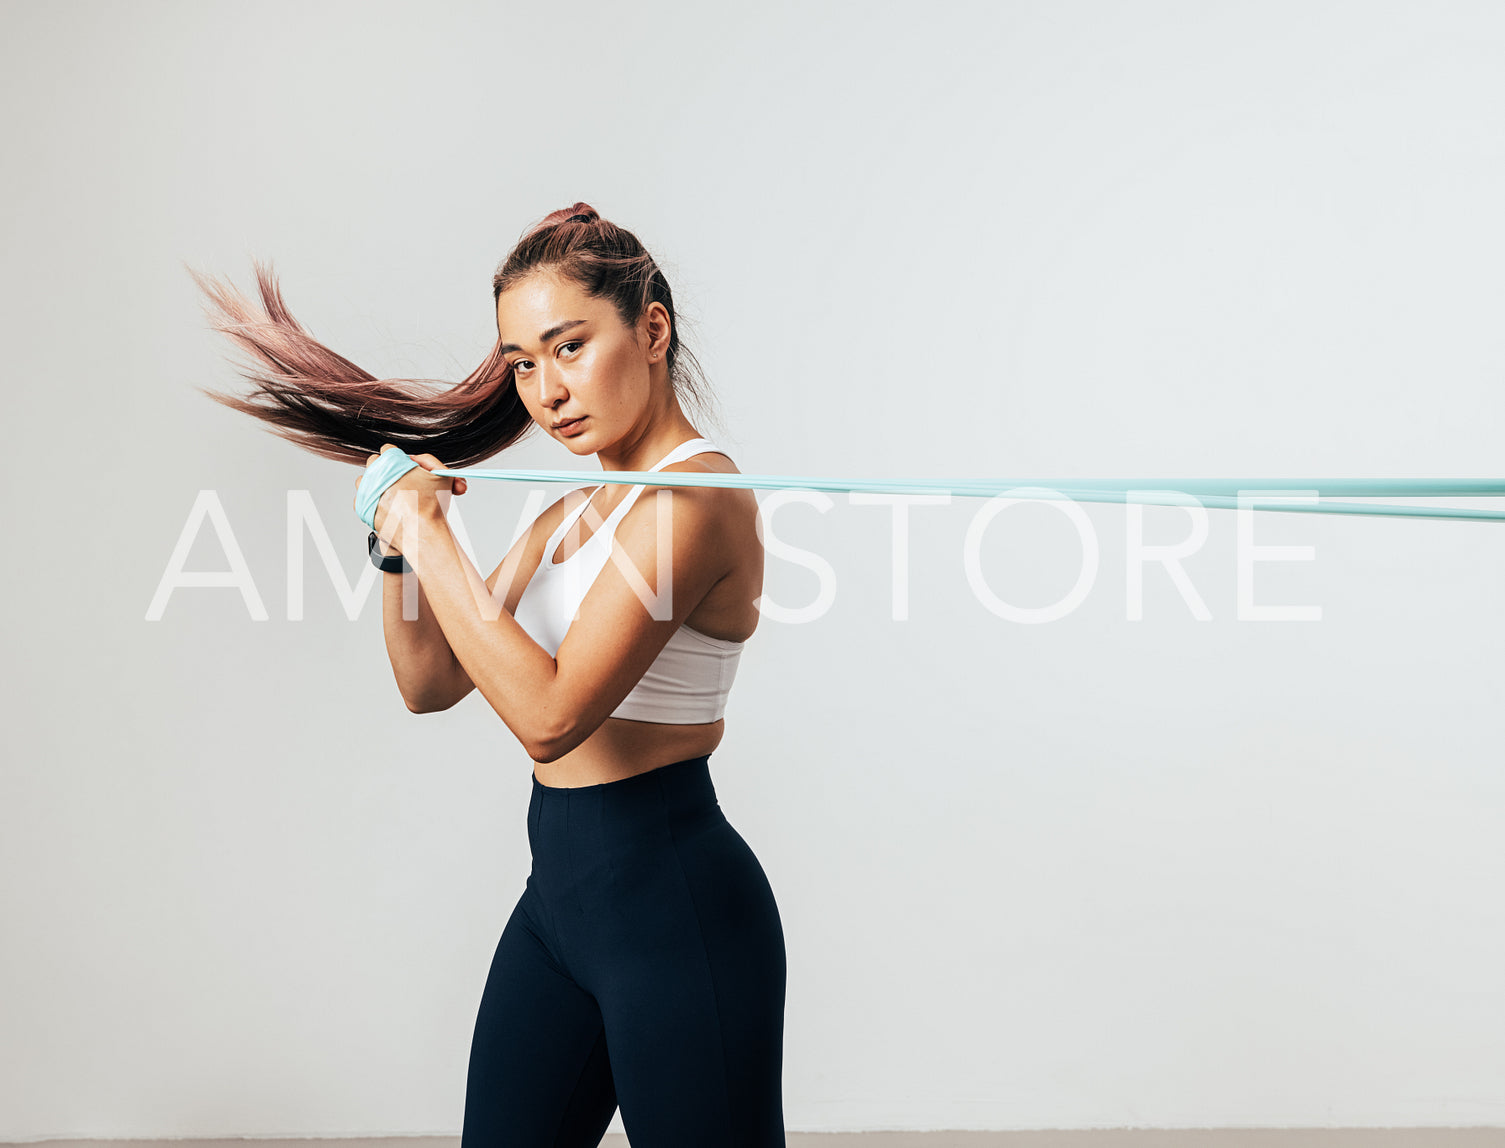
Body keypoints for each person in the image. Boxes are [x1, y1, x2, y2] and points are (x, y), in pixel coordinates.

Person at [194, 203, 788, 1146]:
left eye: (568, 346)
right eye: (521, 363)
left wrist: (434, 540)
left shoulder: (694, 501)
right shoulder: (570, 513)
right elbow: (429, 679)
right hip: (559, 905)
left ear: (652, 329)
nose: (545, 391)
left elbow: (551, 716)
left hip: (672, 910)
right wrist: (399, 550)